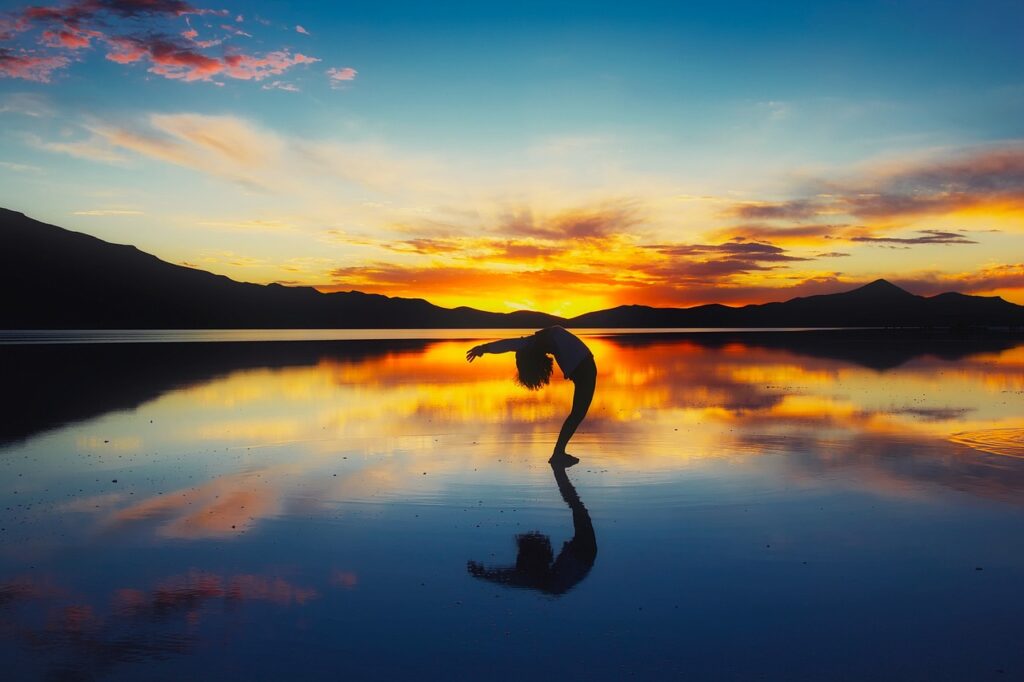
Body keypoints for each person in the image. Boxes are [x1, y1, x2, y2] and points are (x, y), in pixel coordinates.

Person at [466, 326, 596, 467]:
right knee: (577, 414)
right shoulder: (539, 340)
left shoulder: (535, 341)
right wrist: (484, 348)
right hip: (584, 370)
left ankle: (558, 453)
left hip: (584, 369)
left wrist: (484, 348)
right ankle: (558, 453)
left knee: (577, 414)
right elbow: (509, 345)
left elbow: (509, 345)